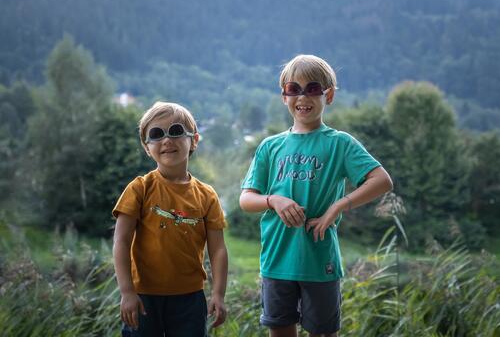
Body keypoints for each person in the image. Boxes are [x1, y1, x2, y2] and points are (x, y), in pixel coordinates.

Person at [240, 54, 393, 337]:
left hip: (320, 259)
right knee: (280, 330)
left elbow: (381, 180)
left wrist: (337, 207)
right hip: (276, 259)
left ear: (329, 95)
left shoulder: (340, 143)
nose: (303, 96)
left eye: (312, 89)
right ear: (284, 96)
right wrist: (273, 200)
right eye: (293, 89)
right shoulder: (270, 146)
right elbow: (246, 199)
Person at [113, 101, 228, 337]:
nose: (166, 140)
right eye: (156, 134)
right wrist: (127, 292)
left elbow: (218, 250)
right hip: (143, 296)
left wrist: (218, 294)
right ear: (147, 147)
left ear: (194, 140)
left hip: (190, 299)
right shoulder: (139, 189)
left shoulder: (207, 196)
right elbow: (121, 242)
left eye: (175, 131)